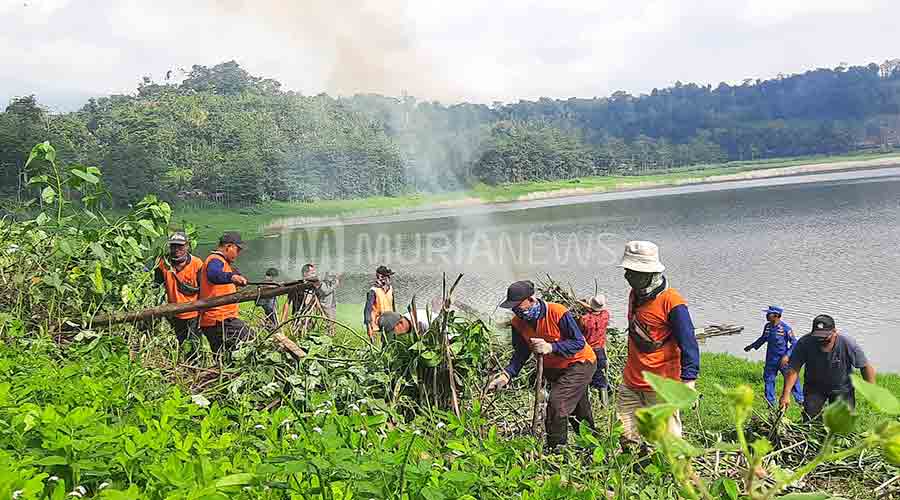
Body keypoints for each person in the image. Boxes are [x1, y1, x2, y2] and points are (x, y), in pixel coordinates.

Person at [486, 280, 597, 449]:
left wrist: (550, 346)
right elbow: (521, 353)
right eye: (513, 308)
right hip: (555, 370)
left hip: (580, 363)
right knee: (579, 411)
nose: (517, 311)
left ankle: (556, 451)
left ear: (531, 299)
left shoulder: (557, 312)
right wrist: (506, 375)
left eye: (519, 306)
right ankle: (594, 447)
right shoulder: (518, 323)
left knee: (557, 404)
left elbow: (578, 343)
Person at [617, 241, 700, 443]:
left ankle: (677, 473)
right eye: (627, 270)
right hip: (631, 382)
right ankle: (637, 471)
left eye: (634, 272)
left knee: (668, 441)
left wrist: (689, 381)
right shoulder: (635, 296)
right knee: (628, 437)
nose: (628, 276)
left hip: (661, 385)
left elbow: (688, 342)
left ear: (650, 274)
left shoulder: (672, 302)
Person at [780, 314, 877, 419]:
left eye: (826, 337)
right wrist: (786, 394)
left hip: (842, 388)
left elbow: (865, 366)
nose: (822, 340)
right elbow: (794, 369)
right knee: (809, 419)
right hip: (814, 388)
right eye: (818, 337)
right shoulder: (805, 343)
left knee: (842, 424)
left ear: (835, 332)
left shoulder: (848, 343)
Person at [198, 232, 251, 353]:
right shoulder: (215, 260)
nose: (238, 254)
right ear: (229, 247)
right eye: (237, 250)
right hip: (220, 319)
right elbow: (214, 275)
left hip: (214, 321)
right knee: (250, 339)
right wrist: (232, 277)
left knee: (224, 356)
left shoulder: (223, 263)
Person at [744, 305, 803, 406]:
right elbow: (763, 338)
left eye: (769, 314)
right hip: (771, 359)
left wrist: (787, 355)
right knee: (768, 379)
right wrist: (752, 346)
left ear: (777, 315)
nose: (767, 315)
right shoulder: (767, 327)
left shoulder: (786, 329)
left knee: (791, 378)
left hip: (783, 360)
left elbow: (795, 343)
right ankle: (771, 403)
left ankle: (800, 400)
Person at [153, 231, 204, 346]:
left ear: (187, 246)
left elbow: (204, 289)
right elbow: (156, 287)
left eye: (180, 246)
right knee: (181, 344)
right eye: (174, 246)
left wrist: (203, 313)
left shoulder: (197, 264)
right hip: (174, 313)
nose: (177, 249)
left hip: (194, 314)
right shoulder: (162, 263)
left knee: (194, 345)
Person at [579, 294, 610, 403]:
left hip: (589, 352)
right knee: (599, 374)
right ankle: (604, 401)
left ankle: (604, 404)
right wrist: (581, 303)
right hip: (601, 351)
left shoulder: (584, 319)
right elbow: (596, 311)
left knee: (594, 378)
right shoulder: (606, 315)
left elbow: (580, 332)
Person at [302, 263, 339, 334]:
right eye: (312, 272)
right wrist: (335, 285)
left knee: (332, 324)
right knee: (329, 324)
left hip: (331, 305)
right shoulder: (317, 281)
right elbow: (325, 292)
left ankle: (330, 337)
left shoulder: (325, 280)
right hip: (325, 305)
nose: (314, 274)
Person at [364, 265, 396, 341]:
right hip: (376, 326)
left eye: (389, 277)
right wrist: (369, 329)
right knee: (377, 349)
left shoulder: (390, 289)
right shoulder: (373, 291)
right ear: (381, 277)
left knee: (388, 347)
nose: (389, 279)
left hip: (389, 324)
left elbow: (393, 307)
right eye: (387, 276)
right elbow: (367, 311)